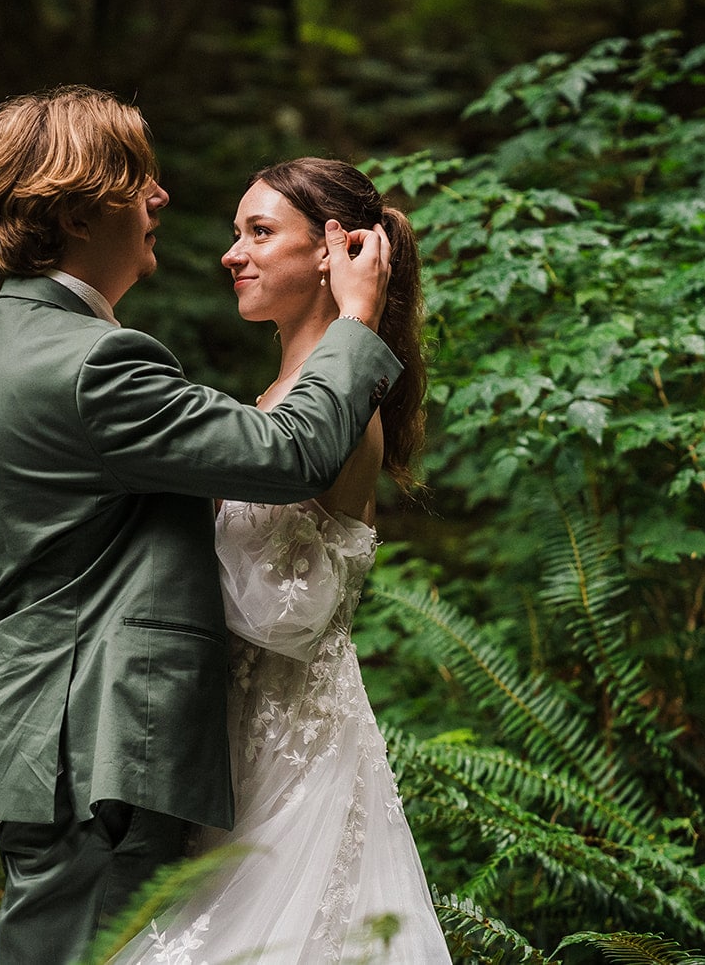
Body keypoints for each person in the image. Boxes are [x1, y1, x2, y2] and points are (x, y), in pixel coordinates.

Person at [0, 89, 404, 964]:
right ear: (80, 203)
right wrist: (360, 320)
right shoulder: (95, 364)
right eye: (138, 178)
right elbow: (289, 451)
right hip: (97, 750)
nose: (161, 198)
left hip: (50, 742)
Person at [111, 158, 450, 963]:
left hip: (293, 762)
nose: (233, 253)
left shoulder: (346, 418)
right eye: (237, 233)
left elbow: (289, 616)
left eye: (259, 232)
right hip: (234, 758)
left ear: (333, 253)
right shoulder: (280, 400)